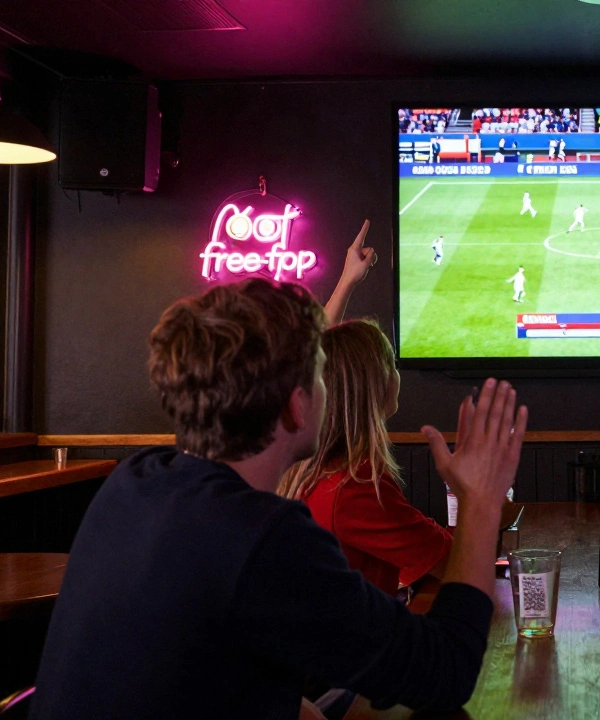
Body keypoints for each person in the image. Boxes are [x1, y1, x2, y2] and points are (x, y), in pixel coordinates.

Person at [30, 219, 530, 719]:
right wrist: (480, 501)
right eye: (320, 374)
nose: (331, 390)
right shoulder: (262, 539)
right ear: (296, 407)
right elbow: (444, 674)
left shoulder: (137, 482)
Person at [278, 225, 451, 605]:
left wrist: (347, 281)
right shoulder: (353, 487)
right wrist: (477, 494)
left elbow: (309, 359)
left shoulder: (303, 466)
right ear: (376, 386)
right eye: (391, 365)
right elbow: (454, 563)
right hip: (354, 657)